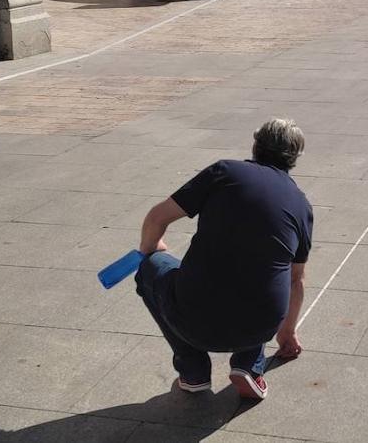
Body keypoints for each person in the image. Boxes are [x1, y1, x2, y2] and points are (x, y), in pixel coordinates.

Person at [134, 119, 313, 400]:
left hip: (193, 320)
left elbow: (158, 217)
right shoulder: (301, 205)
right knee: (265, 274)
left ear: (255, 146)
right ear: (294, 159)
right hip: (259, 325)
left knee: (150, 269)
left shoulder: (225, 172)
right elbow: (296, 280)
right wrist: (287, 332)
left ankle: (193, 370)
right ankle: (249, 366)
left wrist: (150, 250)